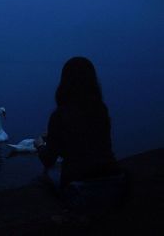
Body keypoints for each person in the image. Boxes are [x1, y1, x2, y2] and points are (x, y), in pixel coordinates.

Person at [34, 57, 125, 221]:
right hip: (114, 184)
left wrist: (40, 144)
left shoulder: (59, 115)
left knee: (43, 178)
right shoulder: (101, 110)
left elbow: (48, 160)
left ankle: (69, 211)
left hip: (80, 189)